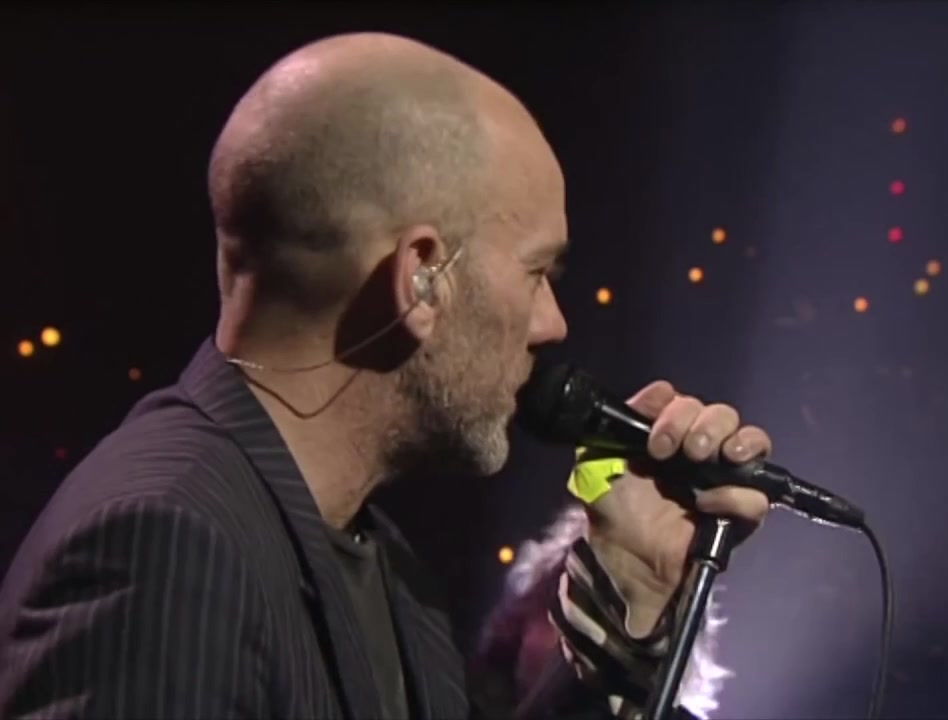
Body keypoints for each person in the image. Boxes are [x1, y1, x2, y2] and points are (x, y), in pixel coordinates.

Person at [0, 32, 772, 720]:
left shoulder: (382, 562)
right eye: (537, 272)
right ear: (422, 277)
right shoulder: (170, 548)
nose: (553, 324)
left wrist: (633, 597)